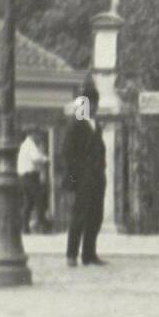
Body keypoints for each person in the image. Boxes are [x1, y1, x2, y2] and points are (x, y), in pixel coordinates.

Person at [63, 76, 108, 267]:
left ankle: (89, 254)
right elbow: (67, 152)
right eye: (93, 103)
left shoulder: (95, 124)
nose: (96, 107)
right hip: (82, 178)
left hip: (97, 177)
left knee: (95, 216)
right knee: (79, 216)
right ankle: (71, 254)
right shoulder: (76, 123)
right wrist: (74, 178)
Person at [17, 129, 50, 234]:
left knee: (28, 202)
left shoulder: (24, 145)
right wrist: (46, 159)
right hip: (30, 176)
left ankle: (25, 227)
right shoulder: (30, 145)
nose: (38, 137)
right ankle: (42, 226)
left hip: (23, 176)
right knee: (39, 200)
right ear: (32, 134)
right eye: (37, 134)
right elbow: (36, 157)